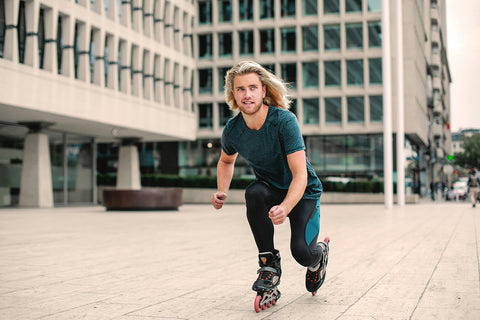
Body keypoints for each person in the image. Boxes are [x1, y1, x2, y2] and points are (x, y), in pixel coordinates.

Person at [211, 61, 328, 295]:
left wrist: (285, 207)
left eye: (253, 87)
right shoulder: (233, 130)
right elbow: (226, 160)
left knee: (302, 253)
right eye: (241, 89)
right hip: (271, 189)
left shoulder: (283, 121)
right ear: (233, 94)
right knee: (254, 192)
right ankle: (269, 265)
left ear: (263, 91)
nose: (247, 94)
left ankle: (320, 255)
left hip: (303, 192)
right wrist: (222, 190)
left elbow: (300, 174)